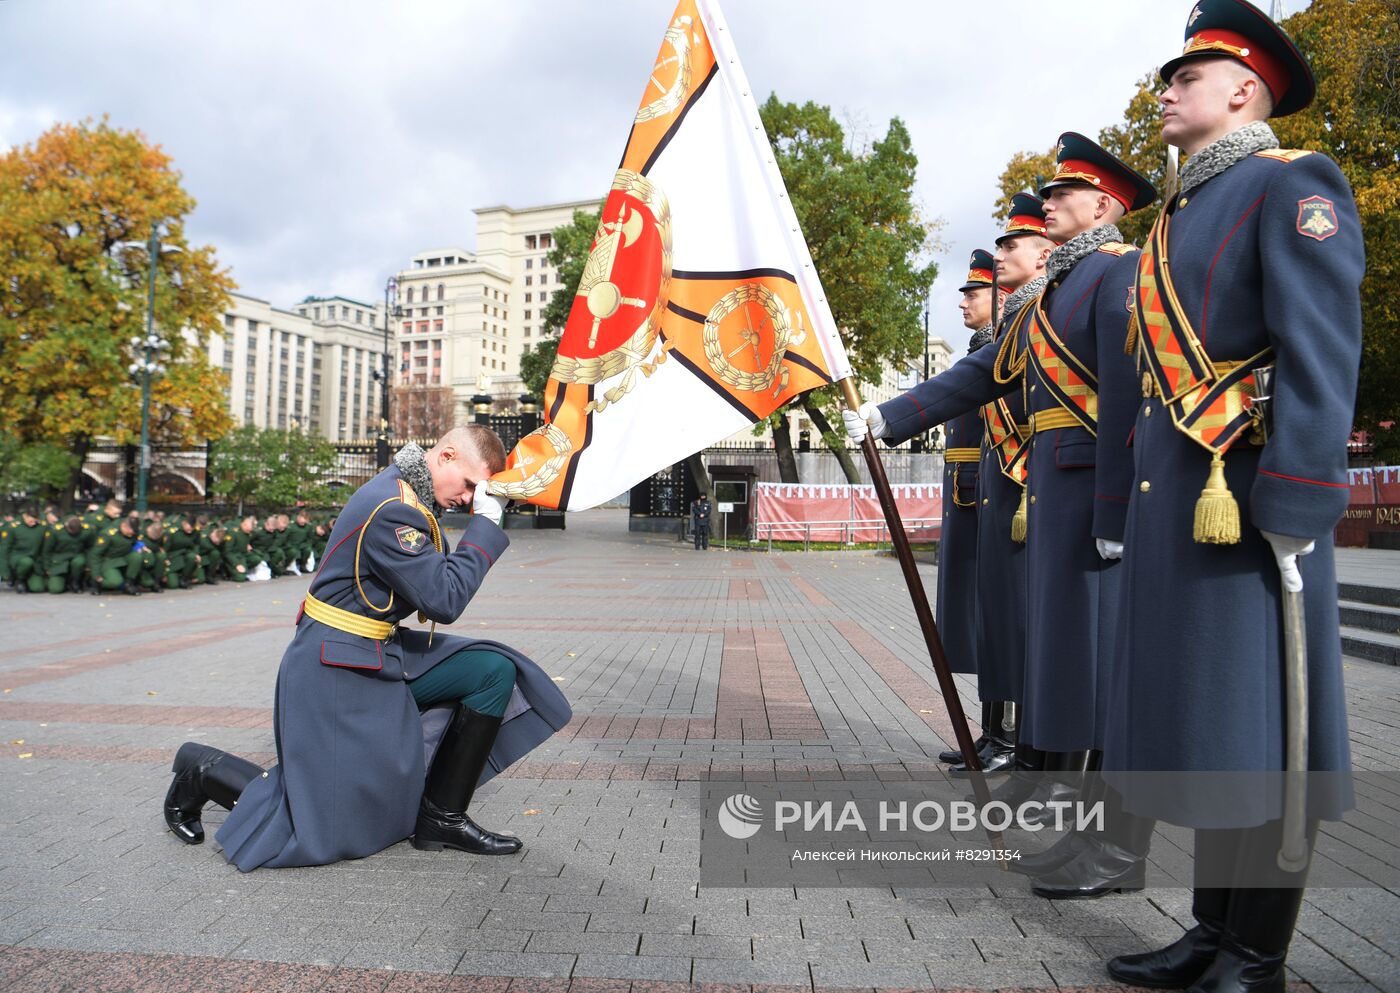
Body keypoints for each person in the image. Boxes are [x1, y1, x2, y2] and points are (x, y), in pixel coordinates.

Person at [1101, 2, 1364, 989]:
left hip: (1250, 498)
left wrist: (1297, 498)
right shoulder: (1175, 213)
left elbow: (1318, 347)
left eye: (1183, 78)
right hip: (1183, 497)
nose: (1163, 92)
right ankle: (1210, 932)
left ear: (1241, 90)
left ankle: (1256, 954)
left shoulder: (1288, 186)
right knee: (1219, 733)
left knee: (1269, 736)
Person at [844, 133, 1155, 894]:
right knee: (1062, 660)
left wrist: (1115, 508)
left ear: (1105, 207)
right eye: (1046, 194)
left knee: (1100, 671)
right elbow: (984, 373)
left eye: (1062, 193)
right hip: (1054, 492)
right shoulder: (1052, 294)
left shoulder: (1116, 274)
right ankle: (1080, 830)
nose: (1047, 202)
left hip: (1091, 495)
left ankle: (1111, 847)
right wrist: (890, 415)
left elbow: (1125, 393)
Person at [162, 426, 572, 871]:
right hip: (333, 666)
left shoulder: (409, 497)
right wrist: (487, 525)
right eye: (472, 485)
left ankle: (442, 818)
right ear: (447, 456)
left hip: (372, 651)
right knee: (318, 826)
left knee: (491, 670)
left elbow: (433, 583)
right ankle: (202, 769)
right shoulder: (395, 509)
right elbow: (443, 599)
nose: (472, 499)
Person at [957, 195, 1055, 786]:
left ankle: (1020, 741)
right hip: (1000, 485)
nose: (998, 258)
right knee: (997, 618)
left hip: (1028, 482)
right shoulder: (1017, 321)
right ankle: (1001, 734)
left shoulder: (1039, 313)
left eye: (1009, 246)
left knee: (1021, 621)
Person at [932, 250, 998, 772]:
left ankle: (1006, 734)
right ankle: (992, 732)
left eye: (973, 293)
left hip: (988, 494)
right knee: (980, 623)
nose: (963, 302)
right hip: (969, 496)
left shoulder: (1003, 346)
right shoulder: (980, 350)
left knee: (998, 623)